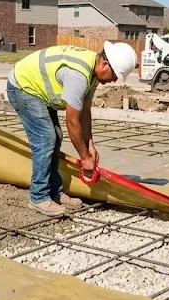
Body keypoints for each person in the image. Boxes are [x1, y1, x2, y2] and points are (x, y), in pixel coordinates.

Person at [8, 42, 137, 216]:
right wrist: (84, 158)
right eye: (114, 75)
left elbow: (85, 111)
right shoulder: (79, 76)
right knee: (45, 139)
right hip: (23, 87)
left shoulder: (93, 72)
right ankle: (38, 197)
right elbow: (72, 120)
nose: (114, 81)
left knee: (56, 137)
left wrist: (89, 143)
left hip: (37, 89)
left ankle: (54, 192)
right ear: (104, 64)